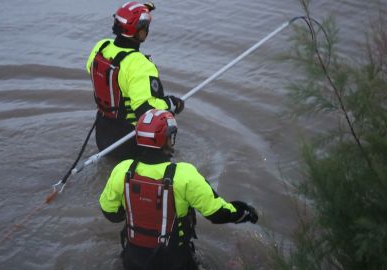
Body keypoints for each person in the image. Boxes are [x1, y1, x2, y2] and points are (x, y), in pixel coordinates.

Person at [99, 109, 259, 270]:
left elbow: (110, 212)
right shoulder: (184, 174)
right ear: (166, 139)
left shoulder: (122, 170)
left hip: (133, 258)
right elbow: (217, 214)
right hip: (174, 260)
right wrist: (244, 212)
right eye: (171, 135)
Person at [86, 2, 185, 160]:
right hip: (129, 141)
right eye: (145, 27)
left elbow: (92, 70)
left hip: (103, 135)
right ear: (140, 32)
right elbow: (145, 110)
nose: (147, 30)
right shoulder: (139, 65)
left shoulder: (101, 47)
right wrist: (172, 104)